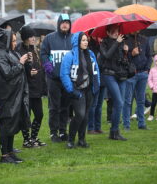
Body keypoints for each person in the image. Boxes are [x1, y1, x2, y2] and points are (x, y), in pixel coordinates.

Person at [0, 28, 29, 164]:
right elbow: (7, 73)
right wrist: (20, 63)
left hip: (15, 95)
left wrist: (24, 63)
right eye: (12, 41)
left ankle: (10, 152)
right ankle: (4, 155)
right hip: (6, 96)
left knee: (12, 124)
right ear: (5, 41)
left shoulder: (9, 53)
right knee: (6, 125)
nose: (15, 43)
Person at [60, 32, 100, 148]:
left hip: (89, 90)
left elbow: (95, 70)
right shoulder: (69, 56)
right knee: (80, 115)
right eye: (83, 40)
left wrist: (96, 86)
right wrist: (71, 90)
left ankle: (82, 140)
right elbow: (64, 74)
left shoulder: (91, 54)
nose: (86, 42)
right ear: (77, 42)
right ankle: (71, 140)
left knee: (85, 116)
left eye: (86, 40)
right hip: (76, 90)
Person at [40, 14, 72, 142]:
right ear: (59, 24)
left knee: (65, 106)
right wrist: (49, 69)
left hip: (68, 79)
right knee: (54, 106)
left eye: (67, 22)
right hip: (53, 79)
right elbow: (43, 54)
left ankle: (63, 131)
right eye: (63, 22)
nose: (65, 25)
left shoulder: (73, 39)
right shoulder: (49, 38)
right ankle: (53, 133)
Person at [16, 26, 46, 147]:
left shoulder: (35, 49)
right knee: (26, 116)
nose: (33, 38)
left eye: (34, 36)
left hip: (36, 88)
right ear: (25, 38)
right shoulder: (20, 50)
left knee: (39, 115)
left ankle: (33, 138)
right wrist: (29, 72)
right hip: (26, 89)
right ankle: (26, 140)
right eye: (30, 36)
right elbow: (18, 67)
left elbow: (38, 67)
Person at [99, 25, 129, 140]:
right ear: (107, 32)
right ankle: (114, 131)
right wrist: (116, 43)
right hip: (109, 75)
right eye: (113, 31)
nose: (116, 33)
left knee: (119, 104)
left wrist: (126, 52)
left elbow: (122, 61)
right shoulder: (103, 43)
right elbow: (107, 55)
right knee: (119, 102)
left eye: (117, 31)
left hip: (120, 75)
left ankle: (114, 132)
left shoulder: (121, 42)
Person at [122, 32, 152, 131]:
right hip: (131, 75)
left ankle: (141, 123)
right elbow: (122, 59)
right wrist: (131, 54)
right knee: (127, 100)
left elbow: (149, 56)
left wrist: (147, 69)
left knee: (141, 100)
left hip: (143, 73)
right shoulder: (124, 40)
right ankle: (126, 125)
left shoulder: (144, 39)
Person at [87, 33, 106, 134]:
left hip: (102, 77)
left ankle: (97, 127)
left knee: (99, 105)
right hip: (94, 78)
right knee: (93, 105)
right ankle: (90, 127)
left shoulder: (102, 45)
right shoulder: (89, 47)